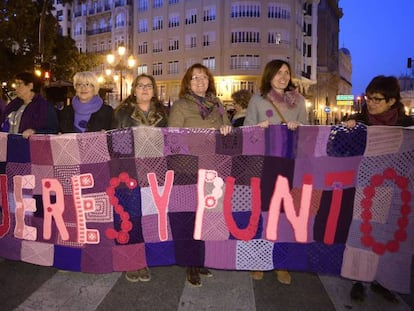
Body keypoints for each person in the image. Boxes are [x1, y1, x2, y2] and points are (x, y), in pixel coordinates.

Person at [343, 75, 413, 303]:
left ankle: (384, 281)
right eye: (369, 98)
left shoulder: (405, 127)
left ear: (392, 101)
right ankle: (358, 280)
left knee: (390, 235)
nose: (370, 103)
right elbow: (340, 148)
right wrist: (349, 128)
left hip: (396, 190)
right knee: (363, 235)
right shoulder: (361, 121)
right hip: (367, 189)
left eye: (377, 99)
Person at [244, 59, 309, 285]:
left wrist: (298, 128)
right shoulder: (258, 99)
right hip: (265, 164)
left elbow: (307, 133)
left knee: (285, 214)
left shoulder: (299, 100)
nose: (283, 77)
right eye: (279, 72)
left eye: (286, 73)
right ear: (269, 75)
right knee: (262, 212)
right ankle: (259, 260)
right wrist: (257, 128)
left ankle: (281, 262)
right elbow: (246, 131)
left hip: (289, 163)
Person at [168, 63, 232, 287]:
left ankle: (200, 259)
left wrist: (226, 129)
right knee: (188, 218)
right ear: (188, 82)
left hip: (212, 169)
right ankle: (190, 264)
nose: (200, 81)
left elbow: (228, 130)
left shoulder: (218, 105)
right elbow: (173, 139)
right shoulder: (181, 106)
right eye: (195, 78)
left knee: (207, 216)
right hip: (187, 170)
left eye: (204, 77)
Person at [113, 73, 168, 283]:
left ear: (154, 91)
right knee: (130, 217)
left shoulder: (163, 112)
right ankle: (131, 260)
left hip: (155, 171)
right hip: (129, 171)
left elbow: (170, 141)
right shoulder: (122, 112)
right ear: (133, 90)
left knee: (149, 217)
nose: (144, 89)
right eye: (140, 86)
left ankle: (144, 259)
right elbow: (116, 145)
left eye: (148, 86)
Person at [0, 72, 58, 138]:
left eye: (19, 84)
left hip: (30, 146)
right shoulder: (13, 105)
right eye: (16, 84)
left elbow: (53, 130)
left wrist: (35, 131)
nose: (16, 87)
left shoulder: (44, 107)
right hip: (9, 144)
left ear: (30, 86)